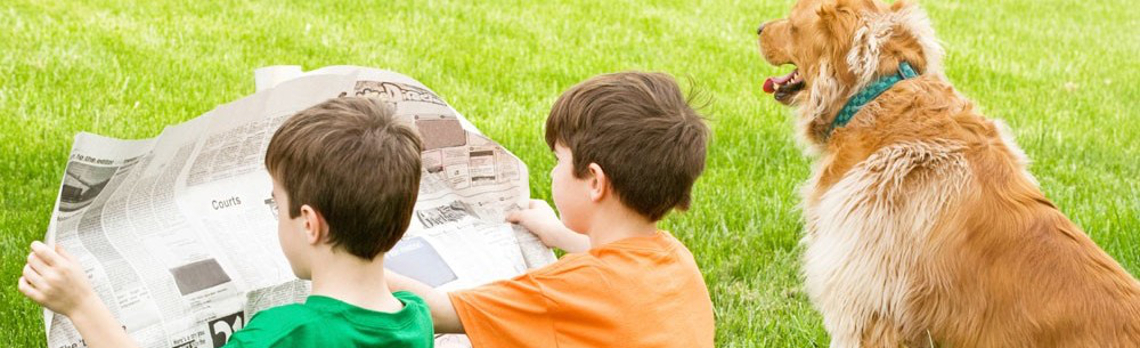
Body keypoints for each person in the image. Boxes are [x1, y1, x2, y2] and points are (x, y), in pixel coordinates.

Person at [19, 97, 435, 348]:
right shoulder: (417, 321)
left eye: (276, 202)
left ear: (309, 224)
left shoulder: (284, 334)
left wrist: (80, 303)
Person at [389, 71, 716, 347]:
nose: (552, 172)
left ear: (594, 182)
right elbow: (616, 262)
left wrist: (345, 267)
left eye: (559, 160)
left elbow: (437, 309)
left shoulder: (566, 290)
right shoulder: (677, 259)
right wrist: (559, 234)